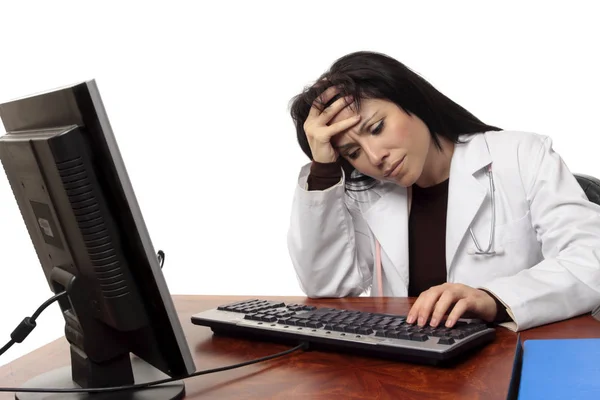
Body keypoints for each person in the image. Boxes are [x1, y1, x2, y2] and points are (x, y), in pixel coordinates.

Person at [286, 50, 600, 332]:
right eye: (353, 152)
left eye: (377, 127)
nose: (374, 156)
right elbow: (326, 287)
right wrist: (324, 169)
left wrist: (494, 299)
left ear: (411, 101)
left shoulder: (521, 155)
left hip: (508, 359)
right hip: (405, 367)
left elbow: (590, 259)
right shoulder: (368, 192)